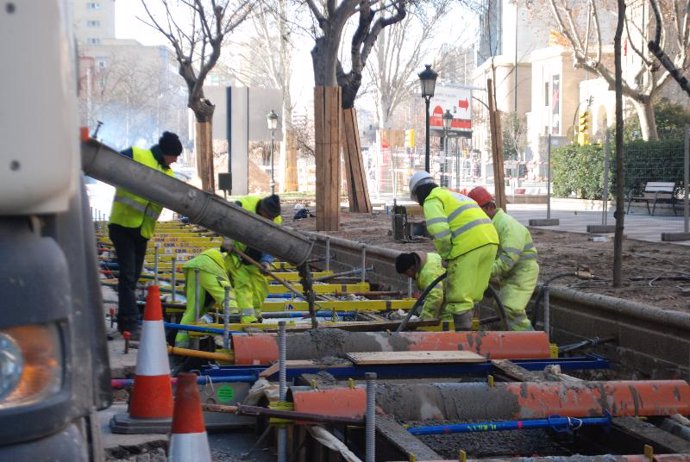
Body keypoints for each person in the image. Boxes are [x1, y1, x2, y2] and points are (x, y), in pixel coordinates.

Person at [108, 131, 183, 338]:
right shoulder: (136, 154)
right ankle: (129, 324)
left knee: (132, 276)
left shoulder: (168, 174)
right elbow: (110, 165)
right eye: (175, 156)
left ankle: (128, 321)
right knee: (128, 276)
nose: (176, 160)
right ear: (167, 152)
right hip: (122, 225)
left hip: (141, 231)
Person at [408, 171, 499, 330]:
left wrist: (446, 255)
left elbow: (440, 232)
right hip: (490, 241)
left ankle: (463, 342)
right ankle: (470, 335)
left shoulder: (432, 199)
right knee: (472, 295)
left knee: (459, 298)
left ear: (418, 193)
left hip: (468, 246)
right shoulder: (452, 195)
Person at [467, 186, 538, 331]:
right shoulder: (492, 225)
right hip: (512, 273)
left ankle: (531, 343)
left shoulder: (507, 225)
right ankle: (514, 340)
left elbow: (507, 260)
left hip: (523, 272)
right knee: (500, 306)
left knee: (510, 308)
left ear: (490, 207)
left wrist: (483, 272)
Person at [229, 194, 282, 323]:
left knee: (261, 288)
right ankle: (248, 319)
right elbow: (227, 218)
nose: (271, 220)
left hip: (255, 258)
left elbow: (270, 244)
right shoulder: (244, 206)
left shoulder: (276, 220)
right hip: (237, 255)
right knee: (243, 286)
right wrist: (228, 239)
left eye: (273, 218)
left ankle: (256, 315)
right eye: (269, 217)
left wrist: (266, 261)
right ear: (262, 210)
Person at [174, 246, 239, 349]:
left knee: (193, 312)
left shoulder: (231, 255)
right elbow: (233, 287)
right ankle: (235, 315)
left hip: (196, 266)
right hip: (210, 267)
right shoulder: (239, 263)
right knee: (228, 298)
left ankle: (180, 345)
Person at [395, 252, 446, 320]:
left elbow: (435, 296)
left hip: (452, 295)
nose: (407, 276)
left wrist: (425, 319)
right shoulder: (427, 259)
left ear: (412, 267)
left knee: (447, 321)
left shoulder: (427, 274)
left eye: (406, 273)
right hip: (454, 289)